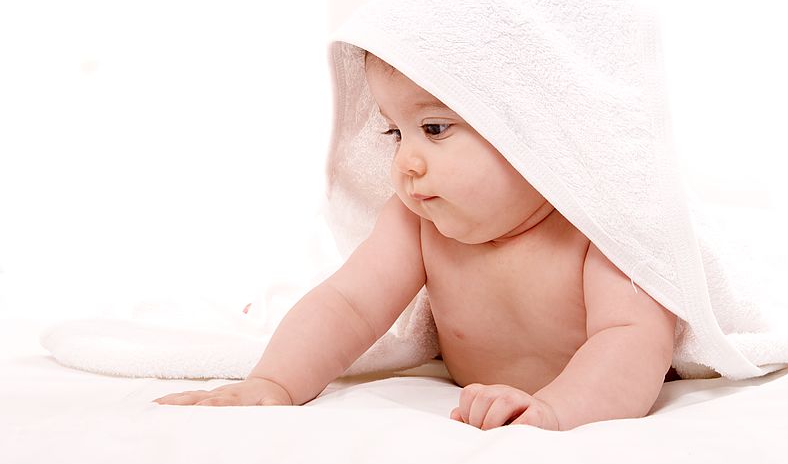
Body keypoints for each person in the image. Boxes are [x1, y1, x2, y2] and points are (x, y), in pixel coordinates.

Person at [153, 45, 677, 431]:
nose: (405, 161)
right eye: (393, 132)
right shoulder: (418, 225)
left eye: (433, 129)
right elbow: (348, 304)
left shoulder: (598, 229)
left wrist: (559, 412)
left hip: (572, 403)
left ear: (530, 128)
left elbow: (631, 338)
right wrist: (274, 383)